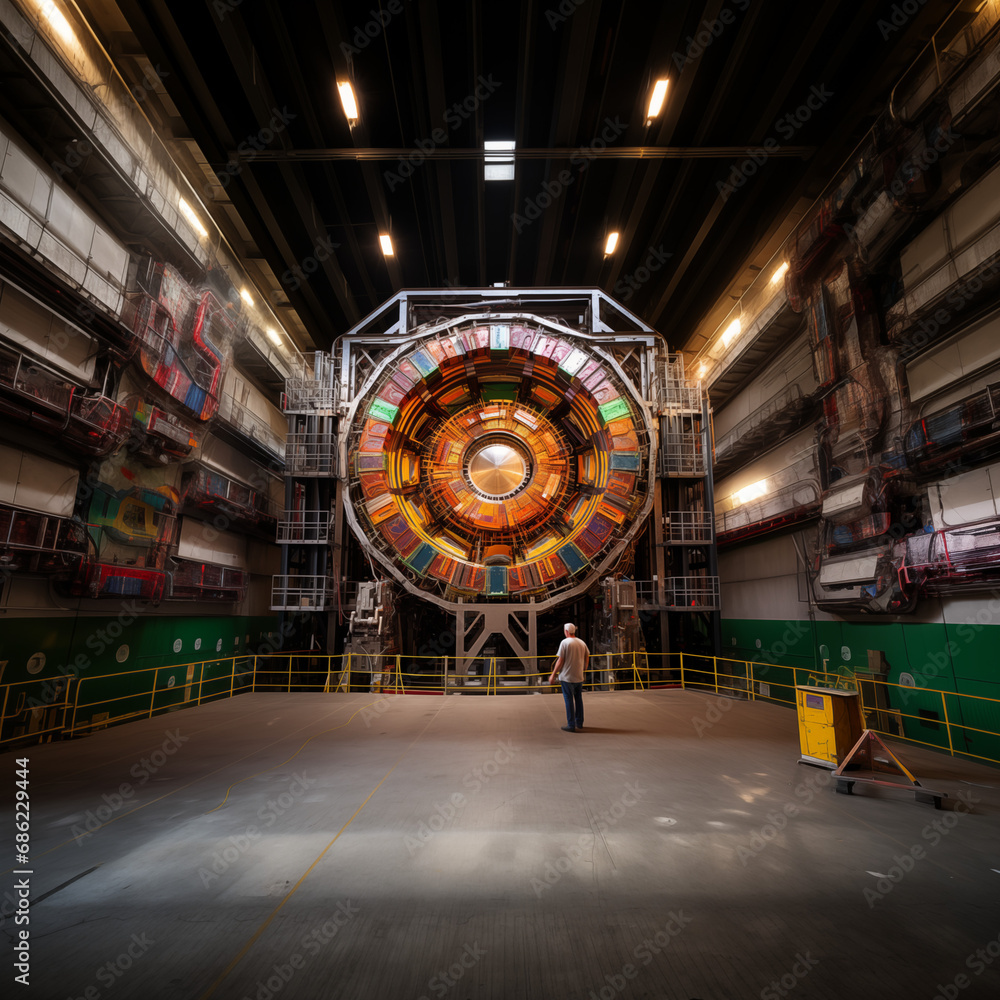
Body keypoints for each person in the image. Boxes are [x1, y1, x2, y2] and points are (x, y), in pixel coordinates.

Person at [547, 623, 589, 732]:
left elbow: (560, 661)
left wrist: (553, 674)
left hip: (567, 677)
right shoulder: (581, 642)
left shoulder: (565, 642)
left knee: (569, 700)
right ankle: (579, 723)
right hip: (578, 677)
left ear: (566, 631)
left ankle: (571, 725)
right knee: (578, 699)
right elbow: (587, 656)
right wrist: (584, 669)